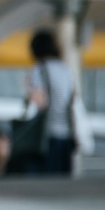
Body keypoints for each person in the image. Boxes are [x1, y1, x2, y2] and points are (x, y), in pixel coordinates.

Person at [25, 29, 77, 175]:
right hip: (67, 133)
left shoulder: (39, 69)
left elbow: (40, 102)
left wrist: (29, 90)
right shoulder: (65, 69)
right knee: (62, 180)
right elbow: (72, 98)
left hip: (47, 133)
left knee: (46, 179)